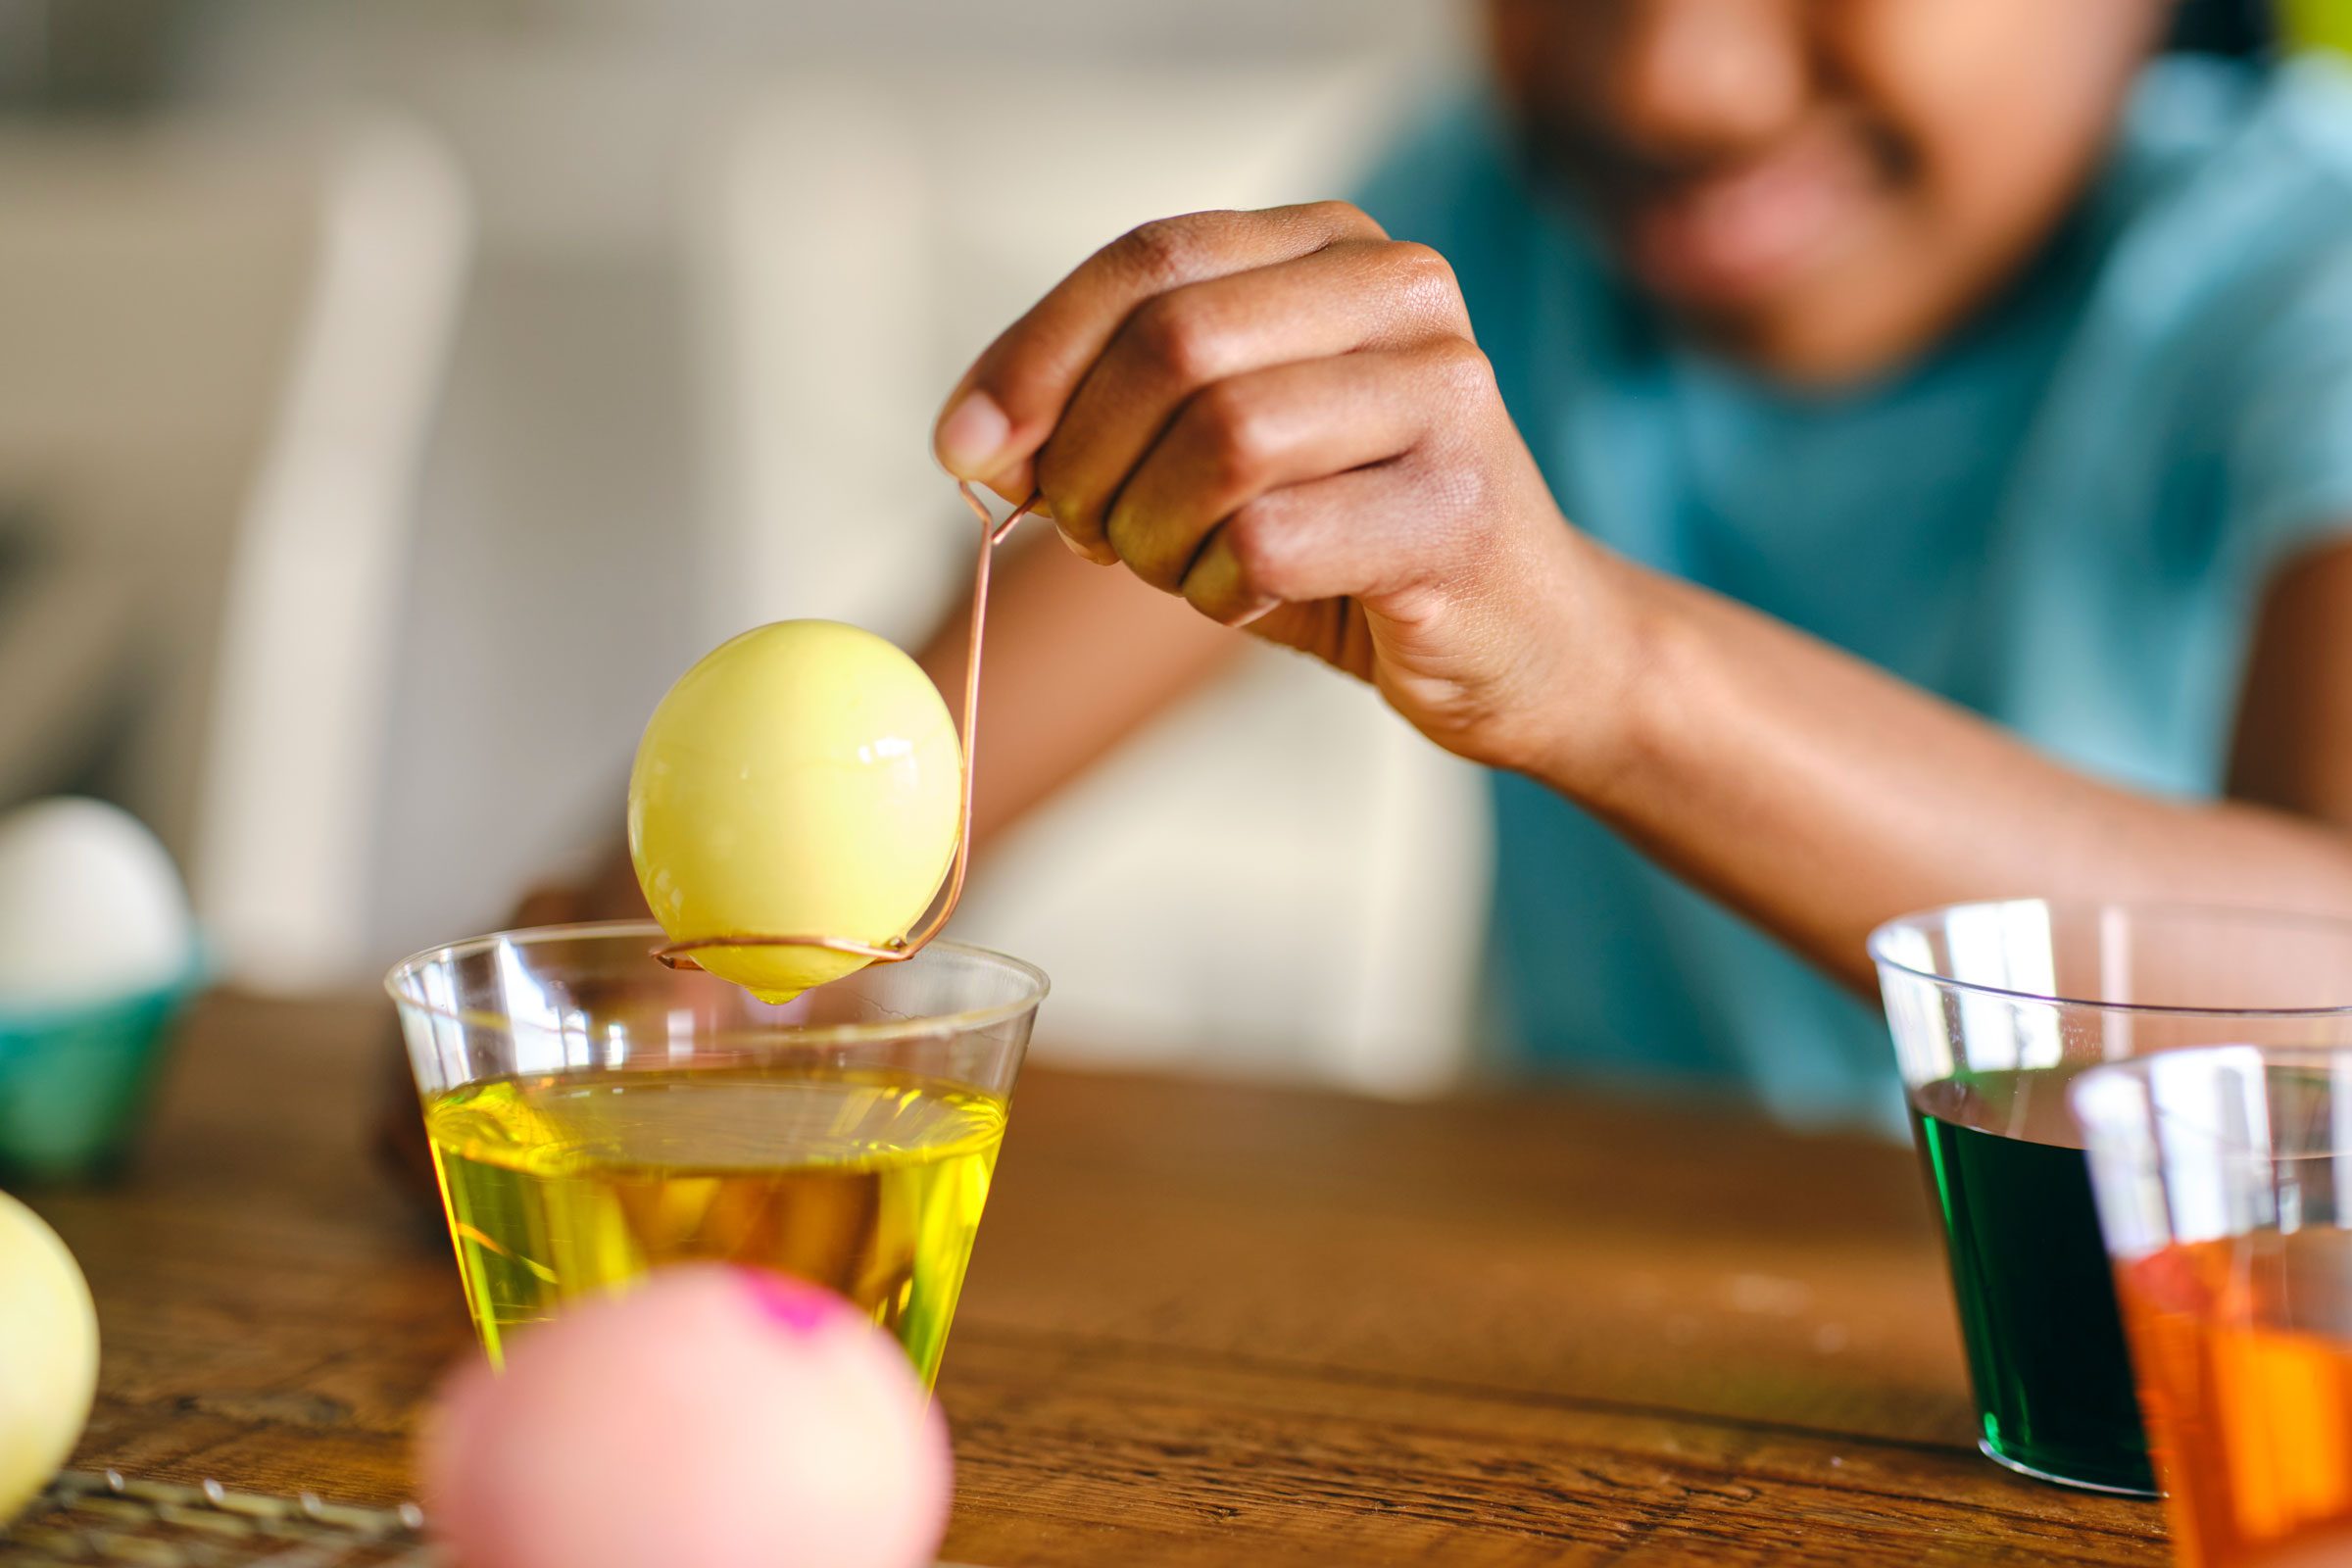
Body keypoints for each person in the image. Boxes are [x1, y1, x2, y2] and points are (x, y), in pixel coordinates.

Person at [392, 0, 2352, 1171]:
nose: (1678, 75)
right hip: (1560, 1383)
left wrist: (1605, 666)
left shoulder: (2301, 279)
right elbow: (895, 823)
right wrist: (638, 987)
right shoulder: (1496, 219)